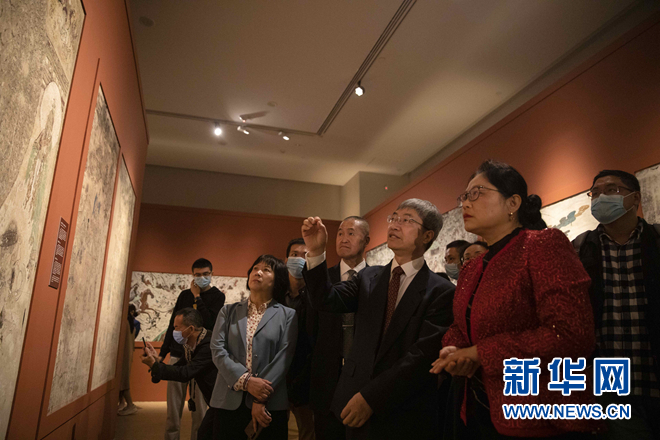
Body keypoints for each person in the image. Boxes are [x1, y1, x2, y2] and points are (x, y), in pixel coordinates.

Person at [430, 160, 597, 439]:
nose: (465, 204)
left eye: (477, 193)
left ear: (513, 203)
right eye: (464, 197)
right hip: (478, 405)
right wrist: (454, 348)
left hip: (537, 412)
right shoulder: (472, 267)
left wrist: (480, 353)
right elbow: (461, 325)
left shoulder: (542, 245)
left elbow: (571, 334)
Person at [302, 198, 455, 440]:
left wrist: (371, 398)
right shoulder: (368, 277)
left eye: (406, 220)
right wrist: (316, 252)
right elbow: (326, 300)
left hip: (402, 410)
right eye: (394, 218)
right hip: (351, 401)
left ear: (427, 235)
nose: (394, 225)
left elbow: (421, 357)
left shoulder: (441, 291)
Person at [573, 170, 660, 439]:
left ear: (635, 199)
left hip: (653, 370)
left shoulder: (657, 239)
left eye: (611, 190)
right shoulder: (579, 248)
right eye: (595, 193)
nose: (601, 198)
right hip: (609, 380)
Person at [209, 255, 298, 440]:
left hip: (269, 403)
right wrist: (247, 381)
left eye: (266, 270)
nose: (258, 272)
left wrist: (260, 397)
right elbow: (218, 350)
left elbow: (284, 357)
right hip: (228, 399)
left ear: (278, 280)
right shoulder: (228, 311)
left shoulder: (287, 315)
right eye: (255, 268)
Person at [309, 216, 370, 440]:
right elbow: (310, 332)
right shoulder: (320, 279)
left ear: (366, 240)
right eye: (340, 233)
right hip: (326, 382)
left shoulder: (379, 279)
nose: (344, 238)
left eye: (351, 233)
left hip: (365, 381)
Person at [159, 258, 226, 440]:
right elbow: (172, 325)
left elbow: (209, 322)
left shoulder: (218, 297)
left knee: (200, 413)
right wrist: (162, 354)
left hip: (201, 359)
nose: (201, 277)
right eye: (197, 274)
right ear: (192, 275)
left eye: (205, 274)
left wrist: (197, 297)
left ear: (211, 274)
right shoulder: (184, 295)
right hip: (178, 354)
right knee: (173, 410)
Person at [141, 308, 218, 440]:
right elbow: (178, 369)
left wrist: (154, 366)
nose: (174, 331)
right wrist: (156, 361)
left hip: (223, 403)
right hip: (216, 403)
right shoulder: (191, 346)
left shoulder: (208, 344)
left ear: (190, 329)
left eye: (177, 327)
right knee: (204, 433)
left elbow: (185, 373)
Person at [284, 238, 316, 440]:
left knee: (308, 432)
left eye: (305, 255)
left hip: (307, 378)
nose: (299, 259)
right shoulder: (277, 294)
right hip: (278, 377)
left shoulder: (317, 295)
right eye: (295, 254)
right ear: (286, 259)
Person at [118, 304, 141, 416]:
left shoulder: (125, 323)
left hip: (123, 356)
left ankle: (130, 405)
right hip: (127, 355)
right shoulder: (132, 323)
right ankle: (122, 403)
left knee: (123, 382)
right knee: (123, 381)